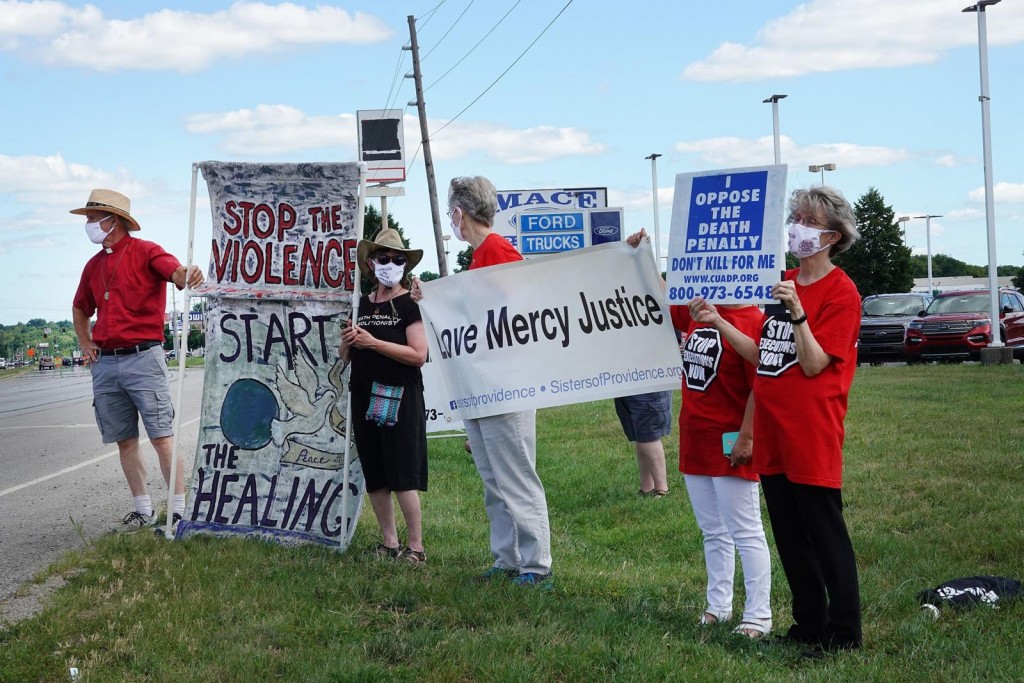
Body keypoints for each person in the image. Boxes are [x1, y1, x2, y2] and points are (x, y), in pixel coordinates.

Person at [689, 186, 863, 655]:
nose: (797, 227)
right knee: (788, 534)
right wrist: (720, 324)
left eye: (808, 220)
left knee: (824, 534)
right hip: (773, 428)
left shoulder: (841, 293)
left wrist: (798, 313)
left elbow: (811, 363)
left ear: (831, 235)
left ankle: (845, 633)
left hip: (811, 430)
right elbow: (765, 356)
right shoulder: (783, 279)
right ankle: (810, 622)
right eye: (796, 217)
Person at [413, 176, 553, 589]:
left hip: (505, 384)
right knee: (496, 479)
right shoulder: (482, 257)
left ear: (459, 214)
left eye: (451, 217)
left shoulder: (497, 252)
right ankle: (508, 558)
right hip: (485, 385)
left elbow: (508, 315)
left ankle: (535, 565)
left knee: (515, 476)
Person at [71, 189, 204, 527]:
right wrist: (86, 341)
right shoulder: (93, 266)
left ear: (111, 220)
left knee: (161, 436)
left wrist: (187, 274)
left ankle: (178, 509)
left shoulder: (146, 251)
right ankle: (143, 509)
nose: (88, 225)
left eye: (91, 218)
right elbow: (80, 307)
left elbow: (174, 273)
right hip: (106, 364)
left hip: (143, 358)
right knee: (124, 440)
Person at [340, 228, 429, 564]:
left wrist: (373, 343)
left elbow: (418, 354)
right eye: (383, 258)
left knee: (403, 472)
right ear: (370, 264)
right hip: (364, 393)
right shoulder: (359, 304)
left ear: (405, 266)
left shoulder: (411, 304)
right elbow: (344, 356)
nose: (390, 264)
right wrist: (349, 342)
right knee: (375, 472)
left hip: (400, 395)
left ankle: (416, 547)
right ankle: (389, 542)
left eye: (397, 260)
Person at [613, 391, 673, 497]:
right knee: (641, 435)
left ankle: (662, 490)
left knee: (648, 433)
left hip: (646, 386)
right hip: (627, 384)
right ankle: (646, 488)